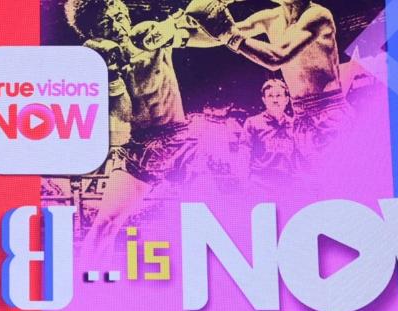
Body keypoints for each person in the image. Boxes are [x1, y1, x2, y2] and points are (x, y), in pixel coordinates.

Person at [64, 0, 204, 244]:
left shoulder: (152, 37)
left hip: (182, 138)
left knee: (216, 207)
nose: (118, 26)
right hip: (141, 147)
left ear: (126, 13)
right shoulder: (97, 64)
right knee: (105, 225)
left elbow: (199, 37)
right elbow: (122, 116)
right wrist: (112, 76)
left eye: (119, 16)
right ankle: (85, 270)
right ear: (94, 31)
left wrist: (228, 36)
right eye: (107, 23)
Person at [186, 0, 350, 154]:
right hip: (299, 116)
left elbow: (278, 57)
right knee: (309, 173)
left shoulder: (317, 15)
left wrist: (228, 33)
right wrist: (180, 38)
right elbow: (218, 37)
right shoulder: (270, 17)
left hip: (328, 112)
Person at [242, 78, 298, 189]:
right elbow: (244, 153)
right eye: (270, 96)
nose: (275, 100)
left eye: (279, 96)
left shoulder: (294, 125)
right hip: (260, 184)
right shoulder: (252, 123)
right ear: (264, 100)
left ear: (287, 99)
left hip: (287, 185)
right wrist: (245, 181)